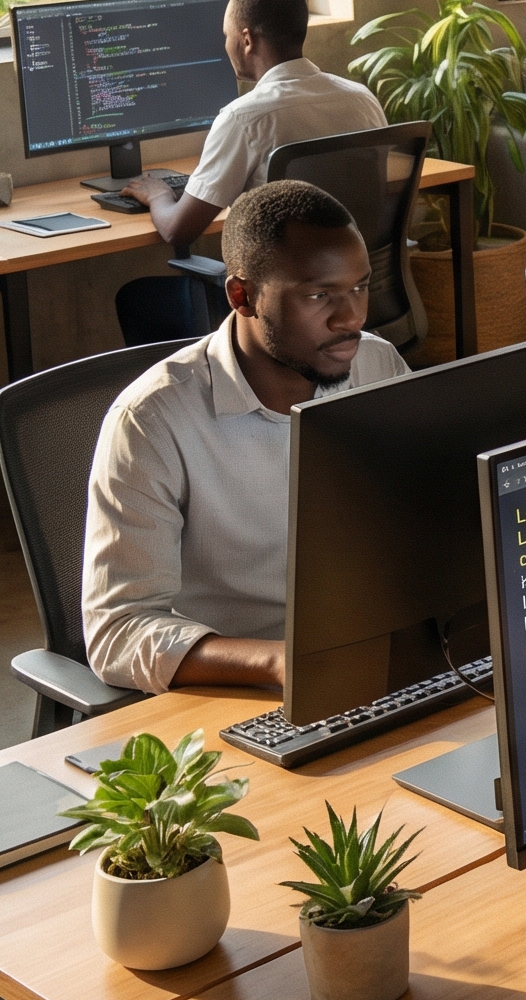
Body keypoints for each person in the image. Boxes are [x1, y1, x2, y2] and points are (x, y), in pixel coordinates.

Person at [83, 181, 410, 696]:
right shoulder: (151, 420)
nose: (352, 317)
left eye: (360, 287)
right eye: (319, 295)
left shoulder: (377, 364)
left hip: (372, 660)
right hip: (238, 688)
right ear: (243, 296)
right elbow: (117, 633)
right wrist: (278, 663)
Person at [115, 0, 386, 346]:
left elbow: (179, 231)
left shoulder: (245, 118)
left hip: (282, 309)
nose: (225, 45)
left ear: (246, 40)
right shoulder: (362, 100)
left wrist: (159, 194)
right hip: (356, 293)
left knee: (137, 298)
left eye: (226, 35)